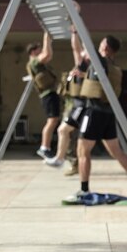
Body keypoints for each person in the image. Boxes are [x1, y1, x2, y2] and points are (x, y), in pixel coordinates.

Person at [74, 35, 127, 200]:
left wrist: (76, 25)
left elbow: (84, 43)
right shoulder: (112, 67)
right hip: (107, 113)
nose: (98, 46)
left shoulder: (100, 61)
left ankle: (84, 190)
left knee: (82, 151)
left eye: (101, 43)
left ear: (105, 48)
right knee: (117, 151)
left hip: (93, 111)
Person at [45, 25, 87, 174]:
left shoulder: (93, 68)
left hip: (82, 105)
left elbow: (77, 50)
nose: (82, 53)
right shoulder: (82, 66)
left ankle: (64, 160)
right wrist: (74, 32)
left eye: (85, 52)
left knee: (71, 134)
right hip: (74, 104)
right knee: (68, 133)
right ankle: (68, 161)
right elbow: (76, 49)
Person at [26, 31, 60, 161]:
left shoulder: (35, 63)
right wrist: (47, 38)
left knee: (53, 120)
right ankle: (44, 147)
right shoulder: (34, 62)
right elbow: (47, 55)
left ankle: (46, 147)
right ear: (33, 52)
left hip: (49, 94)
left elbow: (48, 54)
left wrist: (48, 41)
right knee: (52, 121)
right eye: (39, 50)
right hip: (48, 95)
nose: (41, 53)